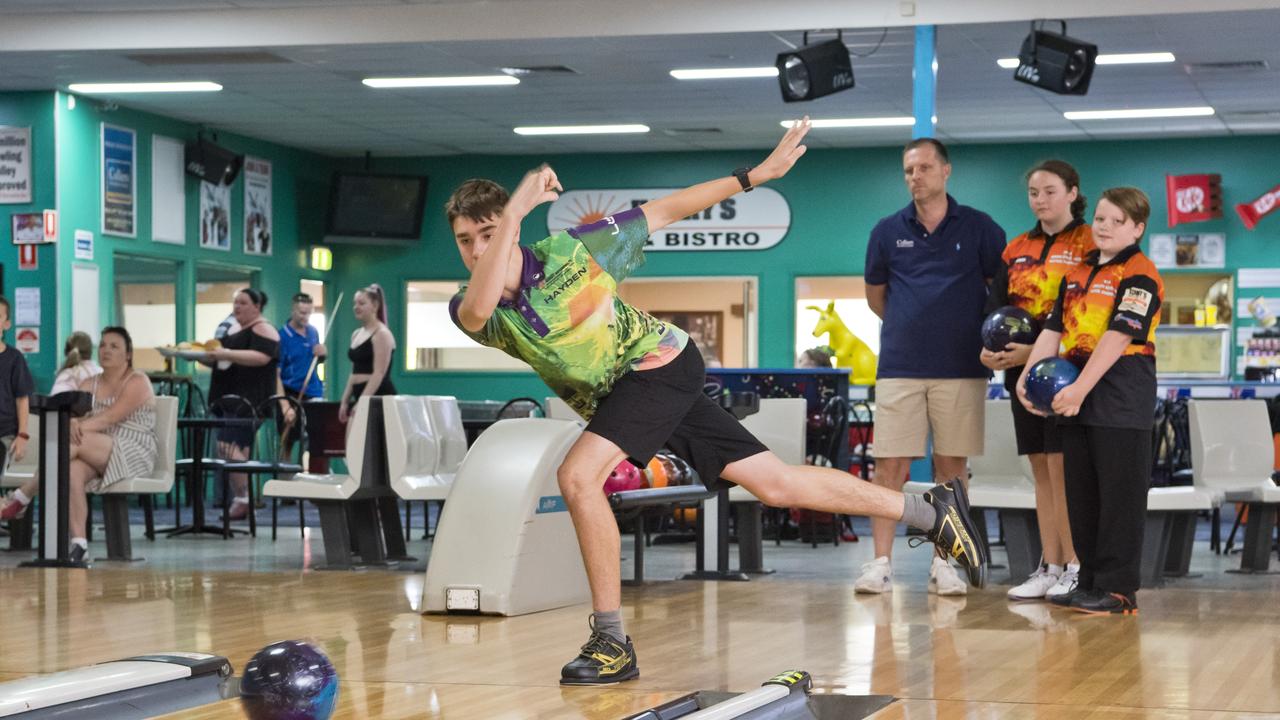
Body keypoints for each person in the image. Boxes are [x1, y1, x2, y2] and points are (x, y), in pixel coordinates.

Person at [444, 118, 986, 686]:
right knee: (775, 483)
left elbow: (667, 210)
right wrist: (512, 217)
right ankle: (932, 511)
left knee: (578, 477)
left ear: (512, 227)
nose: (480, 249)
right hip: (634, 394)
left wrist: (756, 175)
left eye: (489, 232)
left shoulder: (573, 250)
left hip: (659, 365)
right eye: (466, 240)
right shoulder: (471, 309)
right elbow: (481, 306)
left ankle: (610, 641)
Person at [859, 138, 1007, 596]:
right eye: (908, 170)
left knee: (951, 469)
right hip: (900, 366)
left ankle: (946, 564)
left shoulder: (981, 228)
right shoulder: (887, 231)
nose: (915, 177)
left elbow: (995, 290)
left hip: (961, 366)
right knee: (889, 467)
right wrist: (912, 325)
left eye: (924, 168)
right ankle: (880, 563)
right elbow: (876, 296)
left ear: (946, 171)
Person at [1017, 187, 1163, 615]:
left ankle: (1118, 591)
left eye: (1117, 221)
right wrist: (1027, 379)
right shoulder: (1077, 272)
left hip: (1120, 393)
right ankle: (1090, 582)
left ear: (1137, 228)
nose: (1105, 227)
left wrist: (1081, 389)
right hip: (1073, 392)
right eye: (1100, 218)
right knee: (1082, 494)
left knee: (1119, 496)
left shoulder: (1141, 273)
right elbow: (1053, 330)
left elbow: (1118, 335)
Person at [981, 160, 1094, 602]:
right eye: (1033, 192)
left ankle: (1076, 566)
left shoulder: (1088, 243)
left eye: (1049, 191)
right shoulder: (1016, 248)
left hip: (1066, 375)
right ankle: (1050, 565)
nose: (1040, 200)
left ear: (1072, 192)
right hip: (1022, 381)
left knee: (1067, 473)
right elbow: (995, 307)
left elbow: (1084, 312)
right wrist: (990, 350)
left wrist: (1038, 352)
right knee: (1042, 472)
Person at [64, 326, 158, 564]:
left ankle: (23, 494)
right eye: (103, 345)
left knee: (76, 441)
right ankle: (79, 544)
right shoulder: (88, 383)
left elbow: (109, 419)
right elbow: (74, 416)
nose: (106, 350)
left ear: (128, 354)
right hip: (97, 450)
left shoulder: (138, 381)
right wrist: (73, 421)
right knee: (71, 470)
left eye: (114, 346)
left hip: (134, 450)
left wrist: (77, 427)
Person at [205, 288, 280, 521]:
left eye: (243, 303)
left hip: (249, 400)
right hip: (229, 398)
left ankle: (244, 497)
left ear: (256, 307)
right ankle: (242, 498)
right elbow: (223, 358)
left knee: (226, 446)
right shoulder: (234, 328)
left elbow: (262, 357)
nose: (237, 307)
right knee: (240, 447)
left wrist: (227, 353)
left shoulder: (263, 328)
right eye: (235, 302)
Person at [338, 284, 395, 425]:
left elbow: (379, 373)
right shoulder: (356, 334)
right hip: (360, 395)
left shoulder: (382, 334)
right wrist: (344, 401)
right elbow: (353, 372)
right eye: (355, 303)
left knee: (369, 444)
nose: (356, 307)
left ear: (375, 306)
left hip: (378, 396)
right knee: (351, 444)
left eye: (362, 303)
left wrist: (363, 402)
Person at [277, 292, 326, 451]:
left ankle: (316, 474)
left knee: (316, 440)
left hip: (313, 392)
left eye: (309, 313)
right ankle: (287, 475)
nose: (306, 317)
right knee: (287, 442)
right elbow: (275, 375)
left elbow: (316, 360)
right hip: (291, 393)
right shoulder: (282, 336)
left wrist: (322, 354)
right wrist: (284, 405)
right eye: (302, 313)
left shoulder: (313, 332)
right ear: (293, 311)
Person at [0, 297, 34, 521]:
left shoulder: (14, 359)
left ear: (6, 324)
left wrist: (22, 435)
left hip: (4, 435)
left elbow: (23, 400)